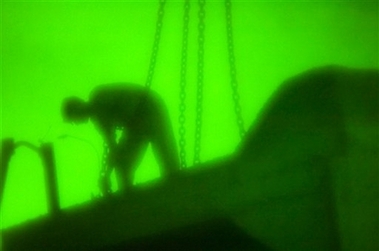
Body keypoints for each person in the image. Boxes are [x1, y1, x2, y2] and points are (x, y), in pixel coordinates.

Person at [62, 83, 180, 194]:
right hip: (136, 124)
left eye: (73, 119)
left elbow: (114, 147)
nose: (76, 123)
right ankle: (128, 198)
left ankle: (177, 187)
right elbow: (113, 148)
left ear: (77, 107)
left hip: (150, 109)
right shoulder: (99, 120)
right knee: (123, 165)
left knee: (166, 156)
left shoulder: (98, 97)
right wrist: (107, 175)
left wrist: (107, 174)